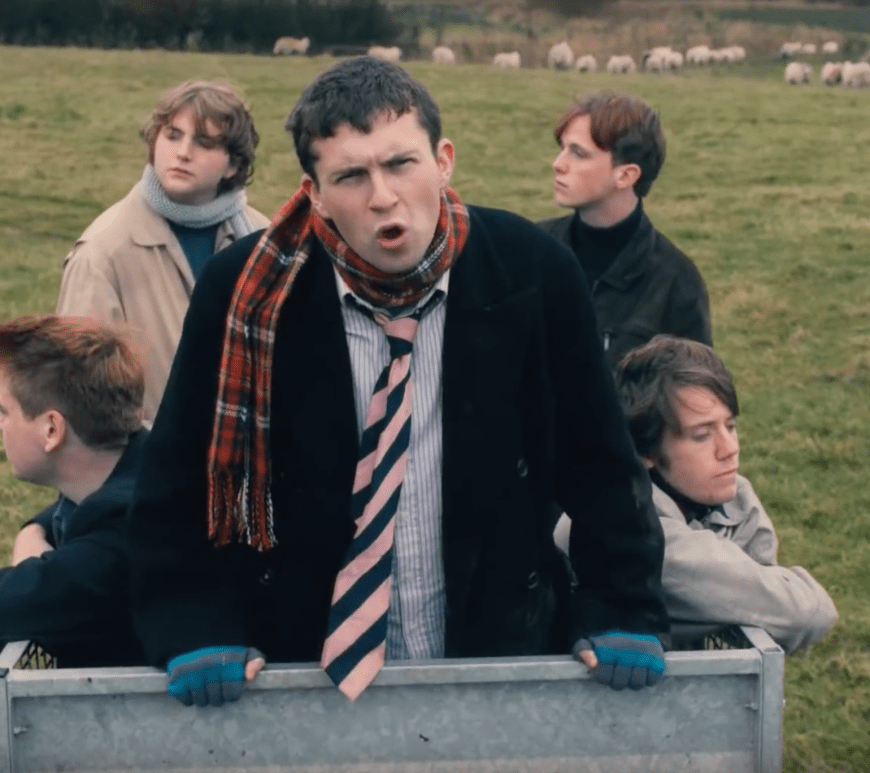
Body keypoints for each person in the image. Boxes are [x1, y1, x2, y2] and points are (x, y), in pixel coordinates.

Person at [127, 56, 670, 708]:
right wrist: (195, 623)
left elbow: (601, 458)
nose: (382, 196)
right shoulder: (246, 292)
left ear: (443, 161)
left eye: (401, 164)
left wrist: (620, 606)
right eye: (350, 176)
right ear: (314, 192)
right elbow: (178, 477)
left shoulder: (533, 273)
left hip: (498, 651)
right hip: (301, 671)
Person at [56, 80, 270, 423]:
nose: (183, 153)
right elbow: (77, 391)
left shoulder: (263, 241)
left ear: (232, 164)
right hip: (150, 454)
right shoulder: (103, 251)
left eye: (204, 142)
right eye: (173, 136)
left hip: (246, 447)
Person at [615, 335, 837, 653]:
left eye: (730, 426)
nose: (729, 449)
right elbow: (805, 614)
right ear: (646, 451)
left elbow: (770, 606)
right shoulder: (632, 530)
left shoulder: (734, 500)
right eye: (702, 435)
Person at [0, 314, 148, 666]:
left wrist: (33, 563)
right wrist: (33, 530)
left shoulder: (126, 535)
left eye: (3, 412)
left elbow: (19, 600)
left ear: (52, 429)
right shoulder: (145, 460)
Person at [537, 90, 712, 372]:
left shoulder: (677, 284)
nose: (558, 164)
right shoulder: (531, 250)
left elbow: (692, 393)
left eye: (578, 153)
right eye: (562, 148)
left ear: (626, 175)